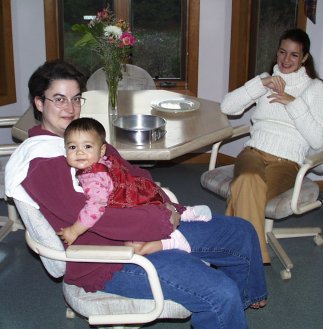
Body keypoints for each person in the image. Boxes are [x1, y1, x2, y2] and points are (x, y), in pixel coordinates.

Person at [6, 60, 268, 329]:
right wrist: (163, 222)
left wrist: (167, 206)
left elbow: (134, 174)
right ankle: (227, 309)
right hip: (109, 258)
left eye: (75, 98)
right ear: (39, 103)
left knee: (241, 233)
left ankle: (237, 309)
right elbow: (97, 218)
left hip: (146, 223)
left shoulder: (82, 138)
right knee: (220, 293)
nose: (70, 108)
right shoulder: (43, 164)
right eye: (59, 99)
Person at [220, 28, 323, 264]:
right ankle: (256, 260)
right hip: (253, 153)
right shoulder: (265, 79)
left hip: (286, 163)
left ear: (304, 58)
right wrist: (261, 84)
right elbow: (227, 107)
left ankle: (231, 256)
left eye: (293, 54)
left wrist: (293, 103)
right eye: (282, 52)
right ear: (277, 52)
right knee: (248, 180)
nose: (286, 59)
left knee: (244, 189)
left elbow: (318, 139)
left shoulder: (315, 88)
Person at [58, 116, 212, 255]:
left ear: (102, 150)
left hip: (132, 205)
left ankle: (172, 240)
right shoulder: (105, 161)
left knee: (134, 249)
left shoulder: (93, 178)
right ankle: (188, 212)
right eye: (73, 147)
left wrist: (74, 230)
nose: (79, 152)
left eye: (87, 147)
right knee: (162, 204)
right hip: (142, 191)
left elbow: (95, 207)